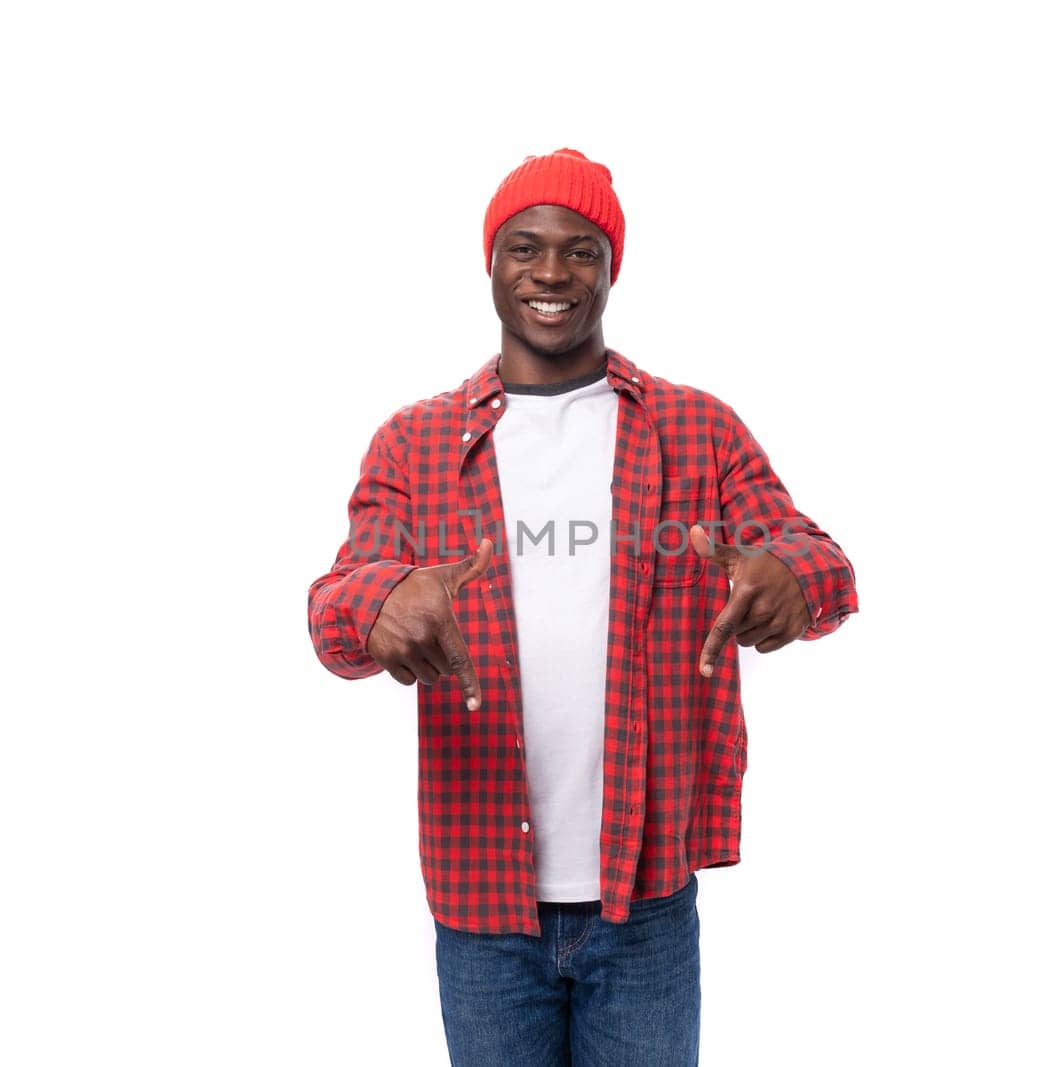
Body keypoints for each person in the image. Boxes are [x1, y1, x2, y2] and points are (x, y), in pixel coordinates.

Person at [306, 148, 858, 1065]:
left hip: (644, 897)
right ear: (491, 262)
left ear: (611, 268)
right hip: (483, 901)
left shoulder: (697, 428)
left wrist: (792, 579)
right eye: (526, 248)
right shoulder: (416, 442)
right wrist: (382, 601)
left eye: (582, 250)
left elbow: (824, 563)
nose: (552, 273)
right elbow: (332, 612)